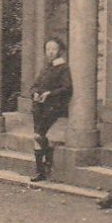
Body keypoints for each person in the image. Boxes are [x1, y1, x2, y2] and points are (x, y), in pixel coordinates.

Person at [28, 38, 71, 182]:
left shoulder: (63, 68)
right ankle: (42, 168)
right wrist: (35, 93)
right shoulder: (46, 67)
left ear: (60, 50)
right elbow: (35, 85)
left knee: (39, 135)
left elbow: (66, 88)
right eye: (48, 49)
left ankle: (44, 166)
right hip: (39, 106)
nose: (50, 52)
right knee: (37, 136)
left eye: (53, 49)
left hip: (53, 106)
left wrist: (49, 94)